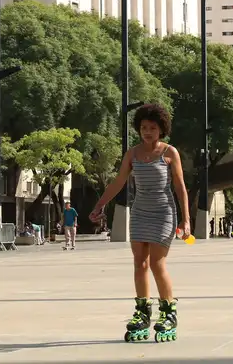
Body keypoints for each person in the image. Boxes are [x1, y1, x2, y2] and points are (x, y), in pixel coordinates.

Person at [89, 103, 189, 341]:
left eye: (152, 127)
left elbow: (180, 187)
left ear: (161, 129)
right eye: (144, 127)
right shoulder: (132, 154)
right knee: (139, 263)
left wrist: (186, 221)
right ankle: (142, 312)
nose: (147, 131)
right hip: (140, 212)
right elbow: (118, 182)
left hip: (163, 212)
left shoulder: (169, 153)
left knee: (157, 263)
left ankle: (168, 312)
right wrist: (100, 204)